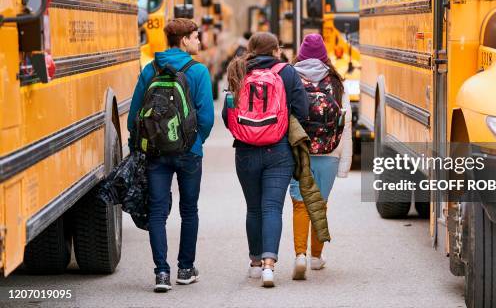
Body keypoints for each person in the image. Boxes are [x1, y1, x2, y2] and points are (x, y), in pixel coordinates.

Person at [127, 18, 215, 292]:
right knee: (189, 210)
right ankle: (185, 269)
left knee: (157, 211)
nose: (199, 42)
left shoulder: (150, 69)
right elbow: (207, 117)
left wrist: (139, 145)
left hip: (155, 151)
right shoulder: (198, 71)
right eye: (196, 37)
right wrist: (196, 142)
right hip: (189, 152)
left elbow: (134, 117)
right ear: (185, 40)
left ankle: (161, 273)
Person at [222, 32, 308, 287]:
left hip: (245, 150)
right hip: (279, 150)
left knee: (254, 208)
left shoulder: (238, 69)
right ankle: (270, 266)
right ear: (275, 50)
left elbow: (228, 115)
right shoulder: (287, 72)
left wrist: (248, 132)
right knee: (272, 208)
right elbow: (302, 110)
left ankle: (255, 264)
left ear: (251, 49)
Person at [289, 33, 352, 280]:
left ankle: (300, 255)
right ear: (324, 55)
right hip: (330, 151)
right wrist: (344, 164)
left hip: (300, 150)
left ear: (301, 54)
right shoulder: (336, 82)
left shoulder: (291, 77)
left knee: (300, 203)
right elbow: (345, 123)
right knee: (320, 204)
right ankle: (316, 257)